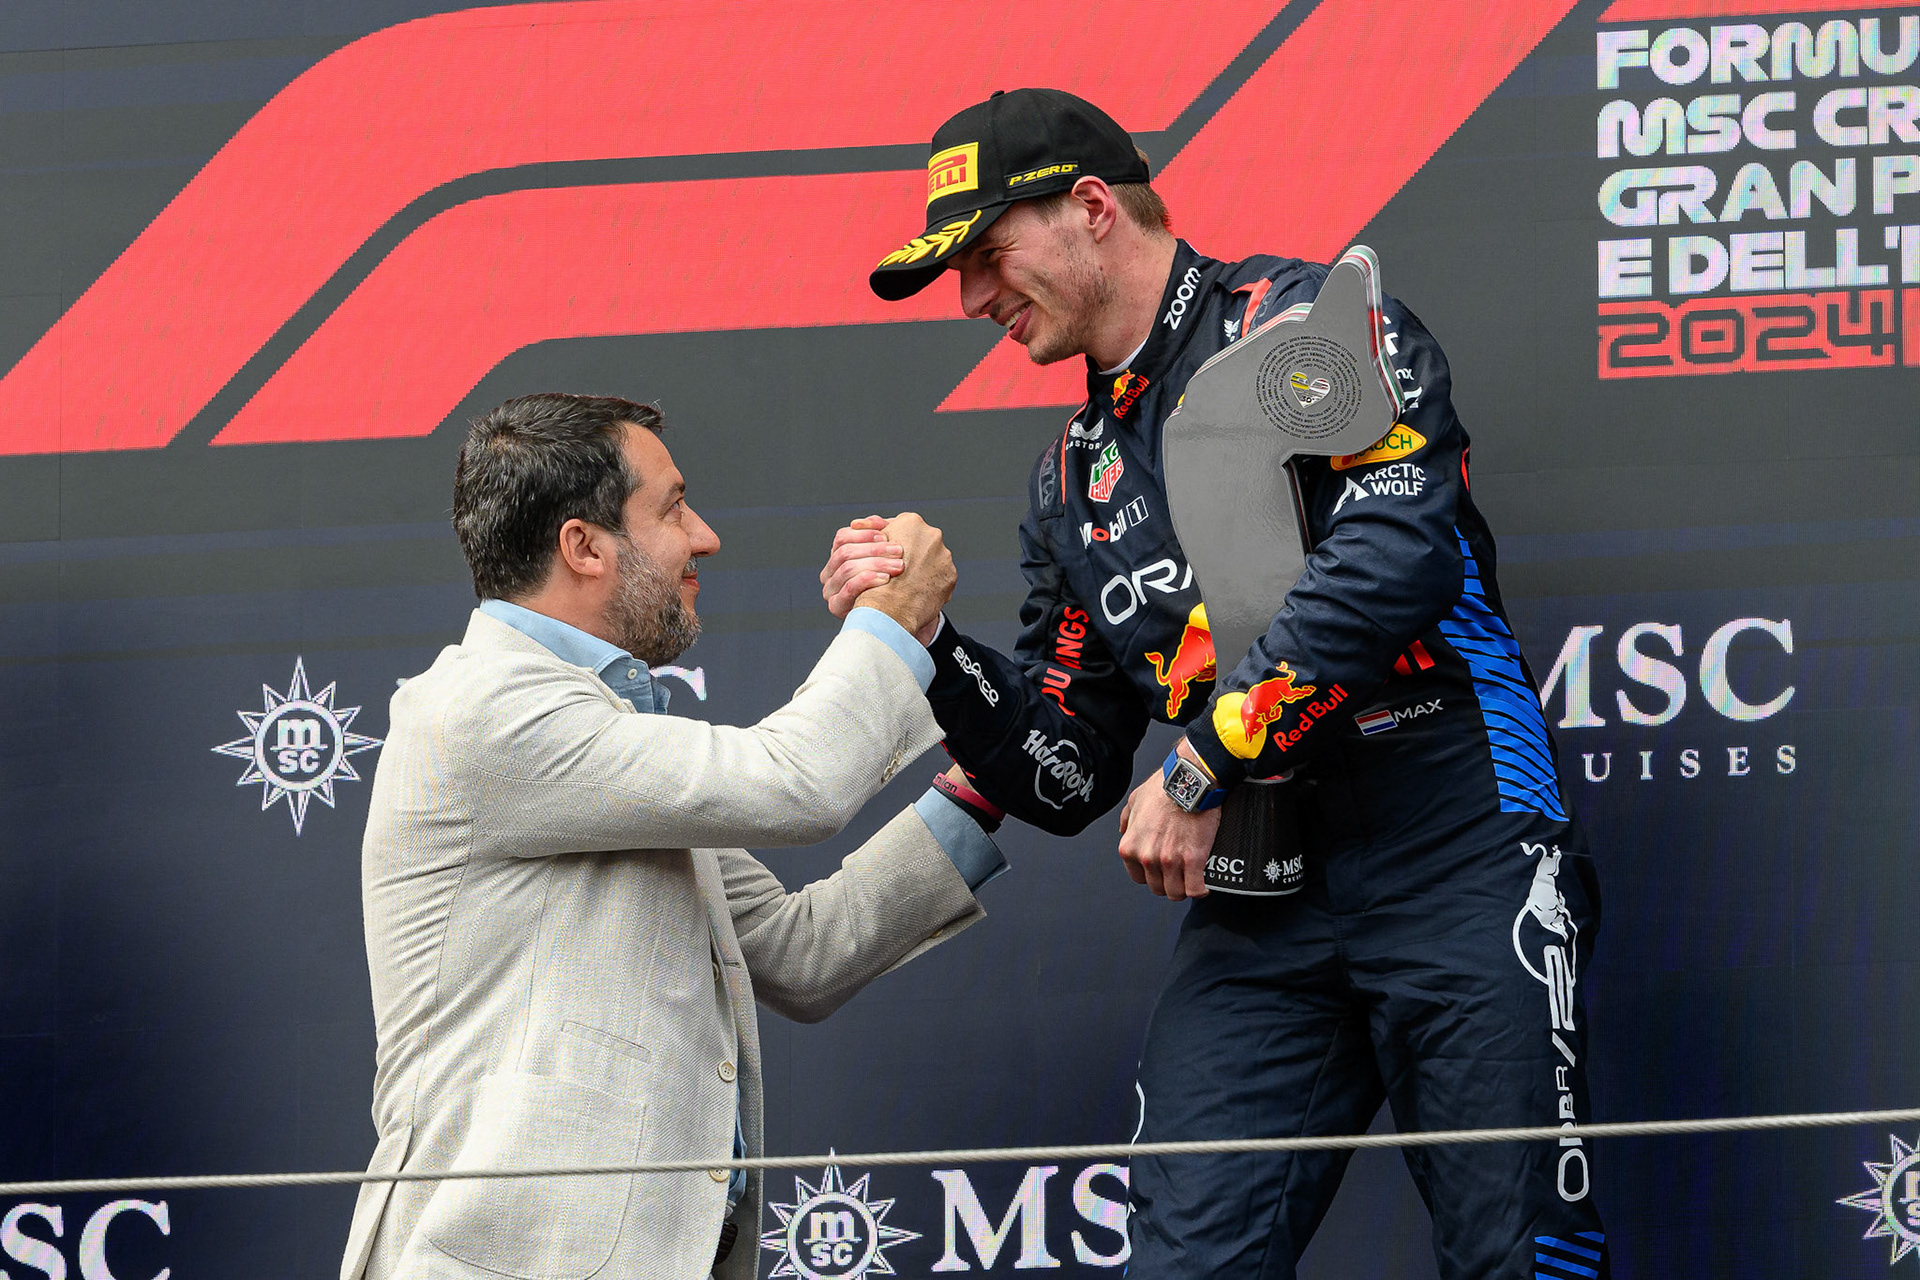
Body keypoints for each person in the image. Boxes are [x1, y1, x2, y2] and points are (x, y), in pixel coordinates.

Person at [827, 89, 1608, 1277]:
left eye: (988, 255)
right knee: (1188, 1261)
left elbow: (1396, 555)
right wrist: (931, 646)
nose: (974, 298)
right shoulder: (1071, 483)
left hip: (1458, 841)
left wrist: (1202, 762)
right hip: (1264, 893)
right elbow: (1070, 763)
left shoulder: (1300, 327)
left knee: (1522, 1257)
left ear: (1093, 208)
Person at [343, 393, 1007, 1280]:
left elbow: (800, 952)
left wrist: (984, 788)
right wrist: (892, 617)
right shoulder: (485, 708)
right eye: (672, 508)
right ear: (584, 547)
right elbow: (796, 782)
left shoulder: (598, 739)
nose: (704, 538)